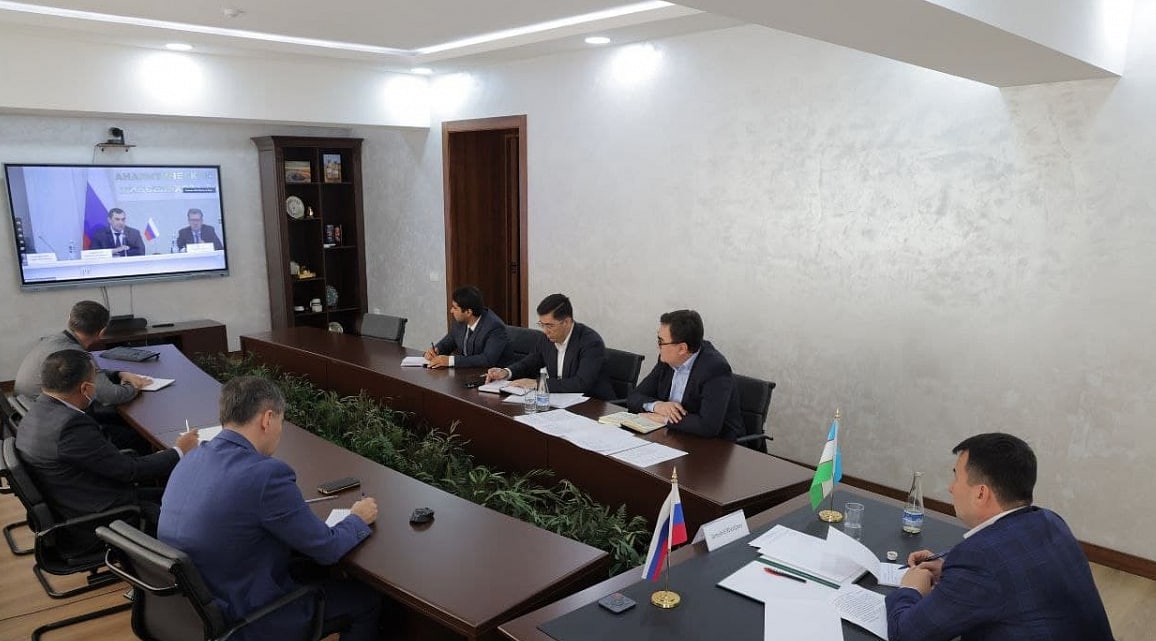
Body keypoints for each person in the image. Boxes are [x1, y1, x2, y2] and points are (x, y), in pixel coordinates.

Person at [159, 376, 383, 641]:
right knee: (366, 600)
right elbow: (327, 549)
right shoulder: (266, 475)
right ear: (267, 419)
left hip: (193, 612)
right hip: (246, 618)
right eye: (281, 421)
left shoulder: (190, 458)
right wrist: (357, 518)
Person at [887, 433, 1115, 641]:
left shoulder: (979, 559)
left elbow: (906, 635)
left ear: (980, 493)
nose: (951, 488)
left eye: (956, 478)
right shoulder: (1050, 521)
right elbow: (1016, 573)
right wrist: (952, 573)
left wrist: (910, 589)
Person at [15, 350, 197, 537]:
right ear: (85, 389)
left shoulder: (37, 410)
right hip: (102, 517)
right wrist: (179, 450)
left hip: (77, 498)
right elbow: (130, 472)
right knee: (189, 504)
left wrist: (158, 457)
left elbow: (108, 462)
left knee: (170, 491)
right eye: (95, 379)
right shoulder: (71, 426)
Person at [14, 300, 153, 451]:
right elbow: (110, 396)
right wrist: (134, 386)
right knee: (139, 437)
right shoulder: (74, 354)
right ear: (102, 332)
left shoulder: (54, 340)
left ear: (69, 319)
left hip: (30, 414)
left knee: (118, 418)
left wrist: (119, 374)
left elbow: (84, 374)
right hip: (57, 425)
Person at [627, 309, 743, 440]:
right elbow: (634, 397)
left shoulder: (715, 369)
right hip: (673, 436)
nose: (658, 347)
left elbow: (708, 426)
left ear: (682, 348)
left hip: (715, 445)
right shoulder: (667, 360)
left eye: (661, 342)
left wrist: (664, 419)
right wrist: (657, 406)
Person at [485, 293, 614, 400]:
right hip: (561, 402)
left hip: (594, 406)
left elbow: (581, 383)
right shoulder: (546, 339)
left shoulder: (590, 343)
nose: (545, 331)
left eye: (550, 326)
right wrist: (506, 372)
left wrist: (537, 383)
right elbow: (529, 363)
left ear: (567, 322)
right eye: (542, 324)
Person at [423, 285, 513, 369]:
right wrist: (436, 351)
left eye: (455, 308)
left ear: (468, 312)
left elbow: (487, 360)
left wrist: (450, 361)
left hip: (492, 376)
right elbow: (447, 344)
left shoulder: (494, 327)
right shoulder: (460, 322)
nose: (451, 311)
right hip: (466, 374)